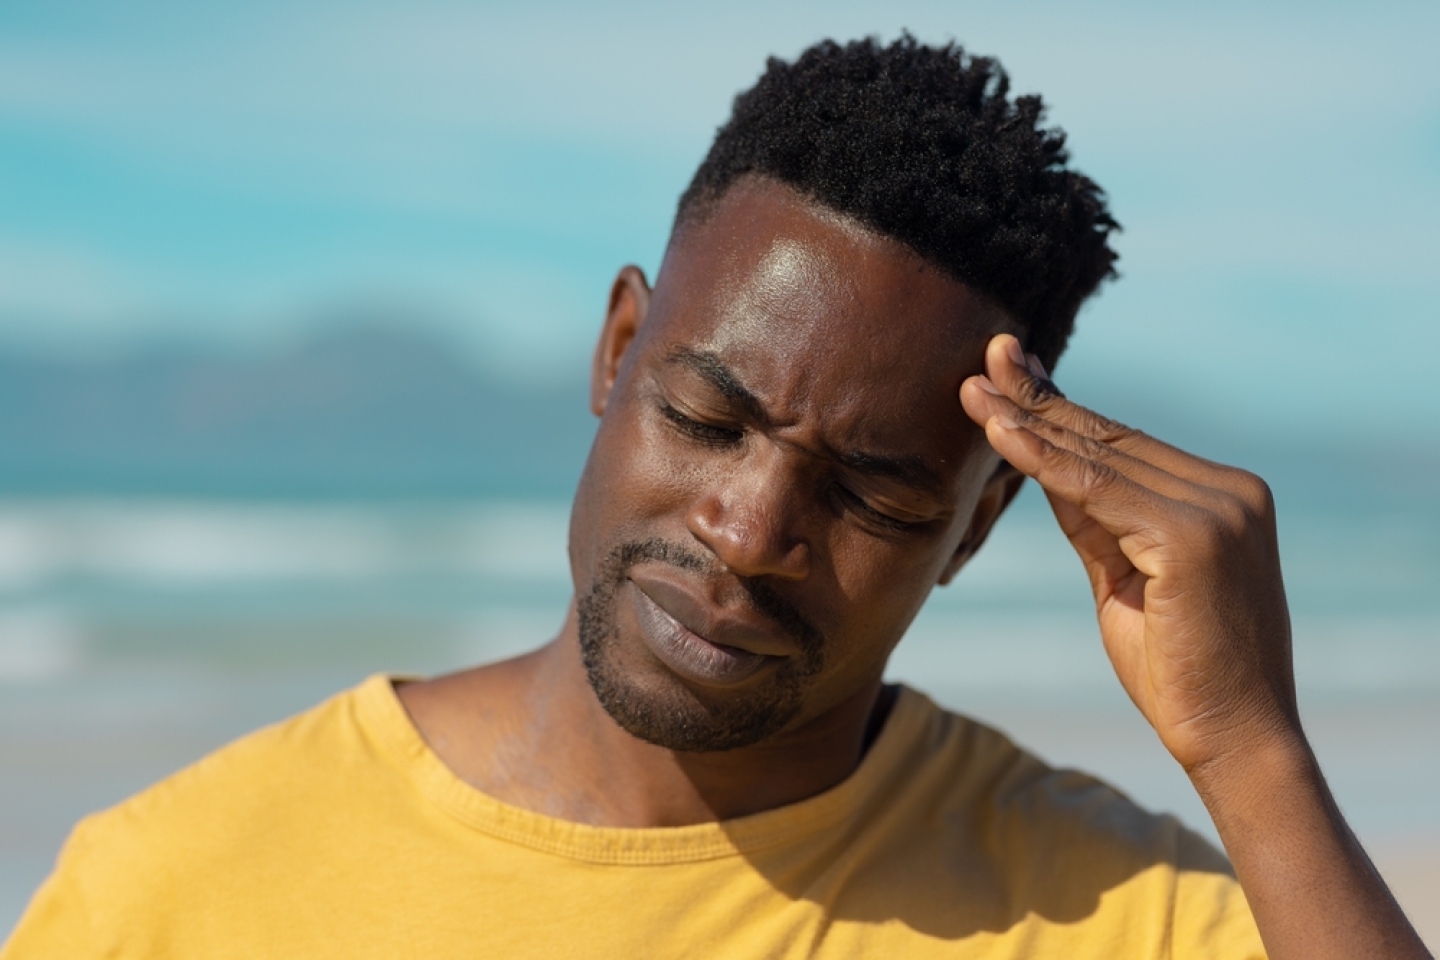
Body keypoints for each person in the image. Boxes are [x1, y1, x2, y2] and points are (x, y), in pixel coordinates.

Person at [3, 35, 1429, 960]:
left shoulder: (1120, 914)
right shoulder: (177, 889)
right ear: (619, 349)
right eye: (705, 417)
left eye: (871, 493)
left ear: (978, 525)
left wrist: (1251, 750)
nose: (748, 535)